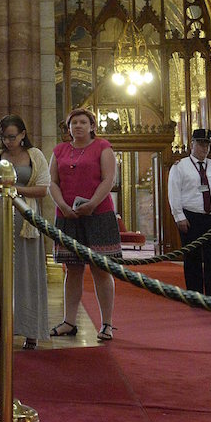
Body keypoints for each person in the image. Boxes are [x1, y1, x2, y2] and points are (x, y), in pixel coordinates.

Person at [49, 107, 120, 341]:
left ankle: (107, 323)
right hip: (68, 215)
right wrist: (62, 205)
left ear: (91, 126)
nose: (78, 126)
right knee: (73, 269)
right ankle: (69, 321)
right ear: (68, 128)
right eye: (73, 123)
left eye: (82, 122)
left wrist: (92, 204)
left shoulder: (102, 147)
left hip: (98, 215)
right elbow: (52, 182)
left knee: (101, 270)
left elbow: (108, 179)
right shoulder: (59, 150)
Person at [0, 115, 51, 350]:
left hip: (27, 222)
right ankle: (2, 328)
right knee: (2, 274)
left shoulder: (36, 156)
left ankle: (31, 330)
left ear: (23, 134)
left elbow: (43, 189)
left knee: (27, 276)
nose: (8, 142)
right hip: (0, 220)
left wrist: (14, 189)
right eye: (3, 137)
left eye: (12, 137)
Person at [167, 129, 211, 298]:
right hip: (191, 218)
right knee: (192, 258)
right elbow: (174, 193)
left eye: (207, 144)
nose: (205, 148)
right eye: (201, 144)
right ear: (192, 145)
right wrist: (179, 217)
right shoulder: (180, 167)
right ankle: (195, 296)